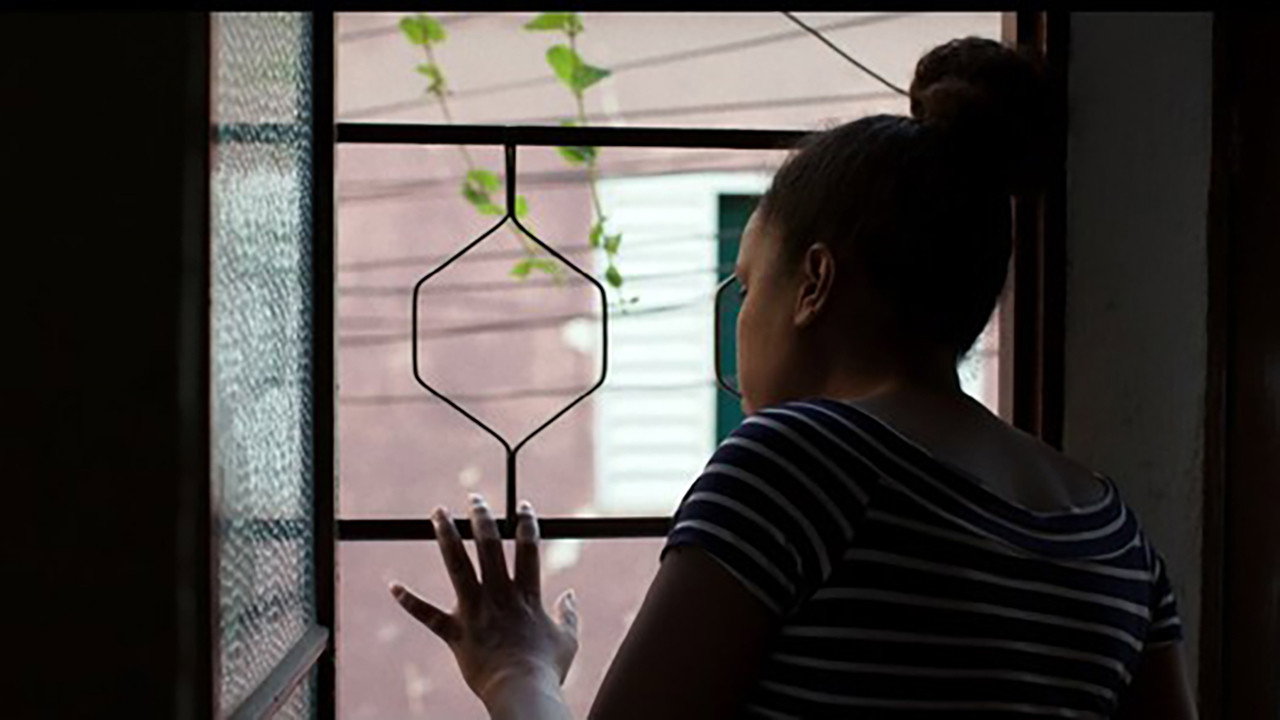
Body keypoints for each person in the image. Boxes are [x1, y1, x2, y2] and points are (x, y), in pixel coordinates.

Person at [388, 36, 1198, 719]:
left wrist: (517, 669)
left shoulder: (799, 466)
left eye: (746, 285)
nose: (740, 319)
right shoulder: (1115, 534)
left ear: (813, 284)